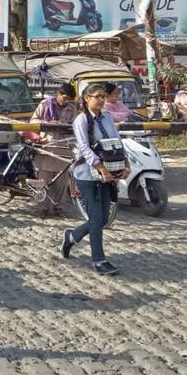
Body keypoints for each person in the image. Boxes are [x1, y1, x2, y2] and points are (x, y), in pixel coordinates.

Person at [62, 84, 125, 276]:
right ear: (87, 98)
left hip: (109, 172)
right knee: (96, 218)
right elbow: (85, 149)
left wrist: (125, 164)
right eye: (97, 96)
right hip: (88, 175)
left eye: (103, 96)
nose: (101, 100)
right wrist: (101, 168)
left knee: (103, 218)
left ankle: (72, 236)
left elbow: (117, 143)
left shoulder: (107, 118)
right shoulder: (81, 121)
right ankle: (99, 260)